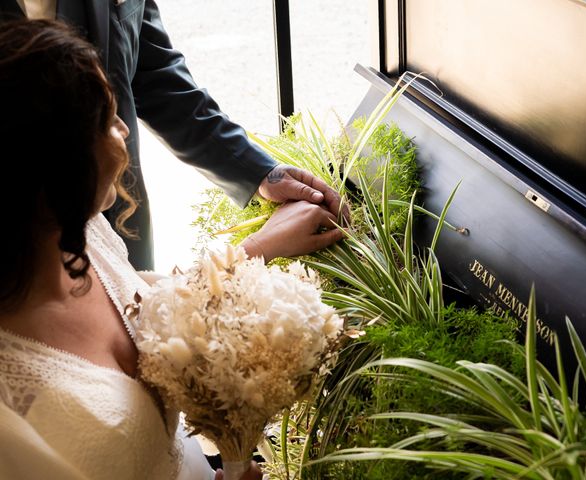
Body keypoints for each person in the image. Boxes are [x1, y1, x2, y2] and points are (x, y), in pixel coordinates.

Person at [0, 19, 344, 480]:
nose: (125, 128)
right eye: (106, 118)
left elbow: (151, 301)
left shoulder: (85, 234)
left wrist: (258, 247)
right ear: (54, 165)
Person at [0, 0, 347, 271]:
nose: (122, 125)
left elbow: (154, 73)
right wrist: (260, 247)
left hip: (117, 219)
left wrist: (258, 171)